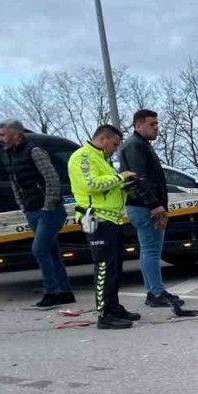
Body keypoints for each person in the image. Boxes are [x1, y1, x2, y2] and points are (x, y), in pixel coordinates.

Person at [120, 109, 197, 316]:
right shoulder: (135, 146)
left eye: (156, 124)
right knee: (151, 250)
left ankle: (154, 291)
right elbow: (140, 178)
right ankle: (155, 292)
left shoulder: (139, 145)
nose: (156, 128)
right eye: (152, 124)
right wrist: (154, 204)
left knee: (149, 250)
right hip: (144, 206)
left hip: (143, 205)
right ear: (138, 125)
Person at [0, 119, 74, 309]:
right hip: (31, 209)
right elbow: (15, 182)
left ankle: (51, 292)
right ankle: (64, 292)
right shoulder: (8, 154)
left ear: (15, 134)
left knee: (39, 249)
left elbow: (52, 179)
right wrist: (22, 206)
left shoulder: (34, 151)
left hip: (49, 210)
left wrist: (48, 206)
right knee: (51, 251)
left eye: (2, 135)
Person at [68, 125, 137, 329]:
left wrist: (125, 187)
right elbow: (91, 185)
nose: (115, 149)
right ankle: (104, 314)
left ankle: (113, 307)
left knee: (115, 267)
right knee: (104, 267)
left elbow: (108, 189)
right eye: (114, 144)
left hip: (112, 219)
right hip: (97, 219)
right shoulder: (83, 157)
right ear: (103, 139)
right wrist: (119, 177)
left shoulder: (101, 159)